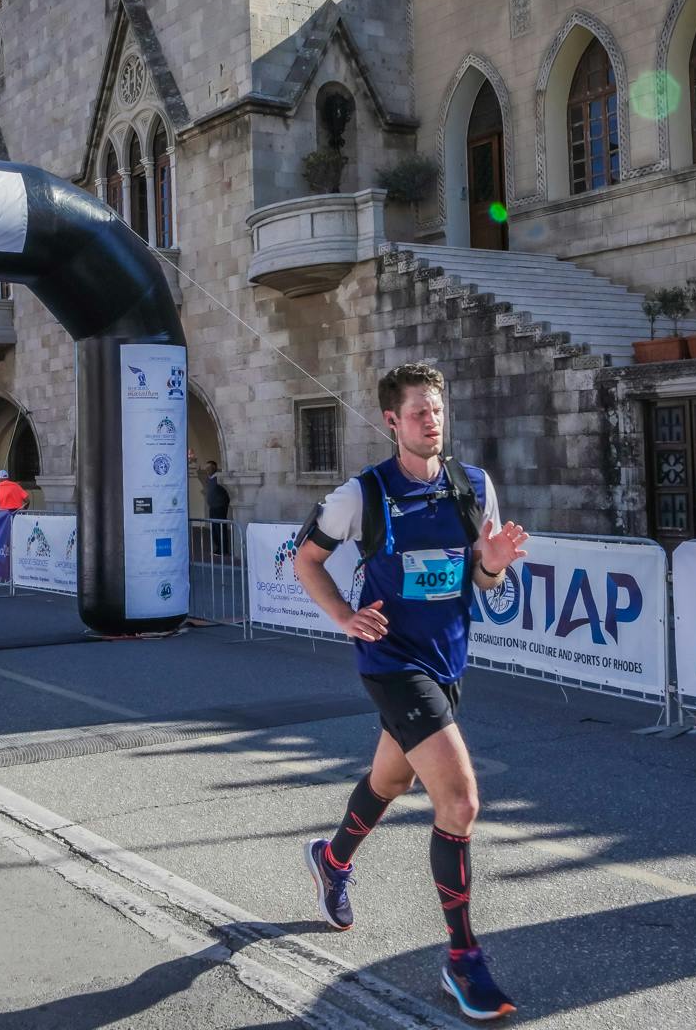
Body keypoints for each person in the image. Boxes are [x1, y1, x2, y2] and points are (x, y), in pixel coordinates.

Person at [292, 362, 527, 1021]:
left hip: (447, 665)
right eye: (419, 411)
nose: (432, 420)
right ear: (391, 421)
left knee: (390, 783)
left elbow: (481, 582)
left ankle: (332, 860)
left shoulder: (472, 487)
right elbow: (304, 558)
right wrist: (342, 614)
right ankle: (463, 961)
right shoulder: (361, 494)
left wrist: (493, 563)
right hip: (391, 663)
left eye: (438, 410)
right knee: (459, 802)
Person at [203, 461, 232, 559]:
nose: (207, 470)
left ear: (214, 468)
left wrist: (220, 505)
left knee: (220, 529)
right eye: (206, 468)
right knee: (215, 529)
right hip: (213, 508)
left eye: (209, 467)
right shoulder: (209, 479)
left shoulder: (219, 479)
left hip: (219, 508)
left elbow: (226, 495)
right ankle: (218, 548)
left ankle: (223, 550)